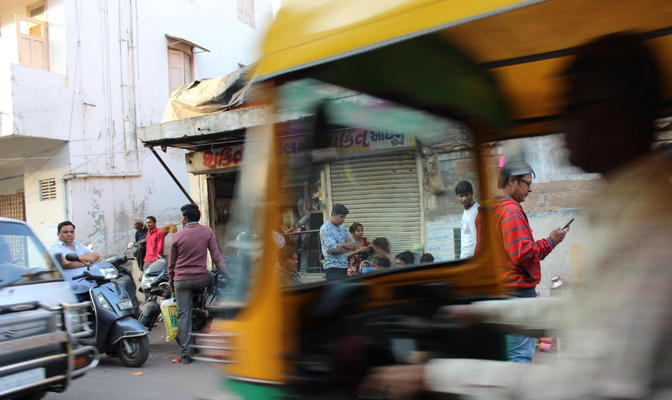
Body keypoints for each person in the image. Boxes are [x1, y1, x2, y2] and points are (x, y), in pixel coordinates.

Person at [358, 32, 672, 400]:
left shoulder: (648, 224)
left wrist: (438, 375)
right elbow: (539, 270)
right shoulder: (521, 212)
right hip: (517, 291)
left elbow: (593, 384)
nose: (563, 123)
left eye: (574, 106)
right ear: (512, 182)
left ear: (618, 115)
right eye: (526, 182)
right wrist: (482, 312)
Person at [168, 204, 231, 364]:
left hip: (181, 281)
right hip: (201, 278)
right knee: (214, 277)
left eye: (182, 218)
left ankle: (186, 354)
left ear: (186, 219)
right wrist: (228, 275)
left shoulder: (177, 237)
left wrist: (171, 283)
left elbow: (171, 265)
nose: (181, 221)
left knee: (183, 315)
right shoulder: (207, 232)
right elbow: (217, 257)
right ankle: (209, 307)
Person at [48, 221, 101, 302]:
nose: (69, 234)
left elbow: (96, 256)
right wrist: (86, 262)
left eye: (71, 232)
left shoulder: (78, 246)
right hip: (74, 292)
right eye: (65, 232)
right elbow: (65, 262)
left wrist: (77, 258)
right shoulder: (55, 248)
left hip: (89, 288)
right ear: (58, 233)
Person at [319, 204, 356, 280]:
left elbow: (353, 244)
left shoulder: (342, 227)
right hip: (332, 267)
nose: (343, 219)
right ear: (334, 215)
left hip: (344, 265)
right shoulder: (325, 228)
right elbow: (336, 249)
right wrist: (347, 248)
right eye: (341, 217)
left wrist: (341, 245)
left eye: (344, 217)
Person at [455, 181, 479, 259]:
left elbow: (477, 239)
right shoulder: (467, 210)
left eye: (466, 195)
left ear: (472, 193)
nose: (464, 199)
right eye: (461, 196)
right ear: (457, 196)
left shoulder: (476, 212)